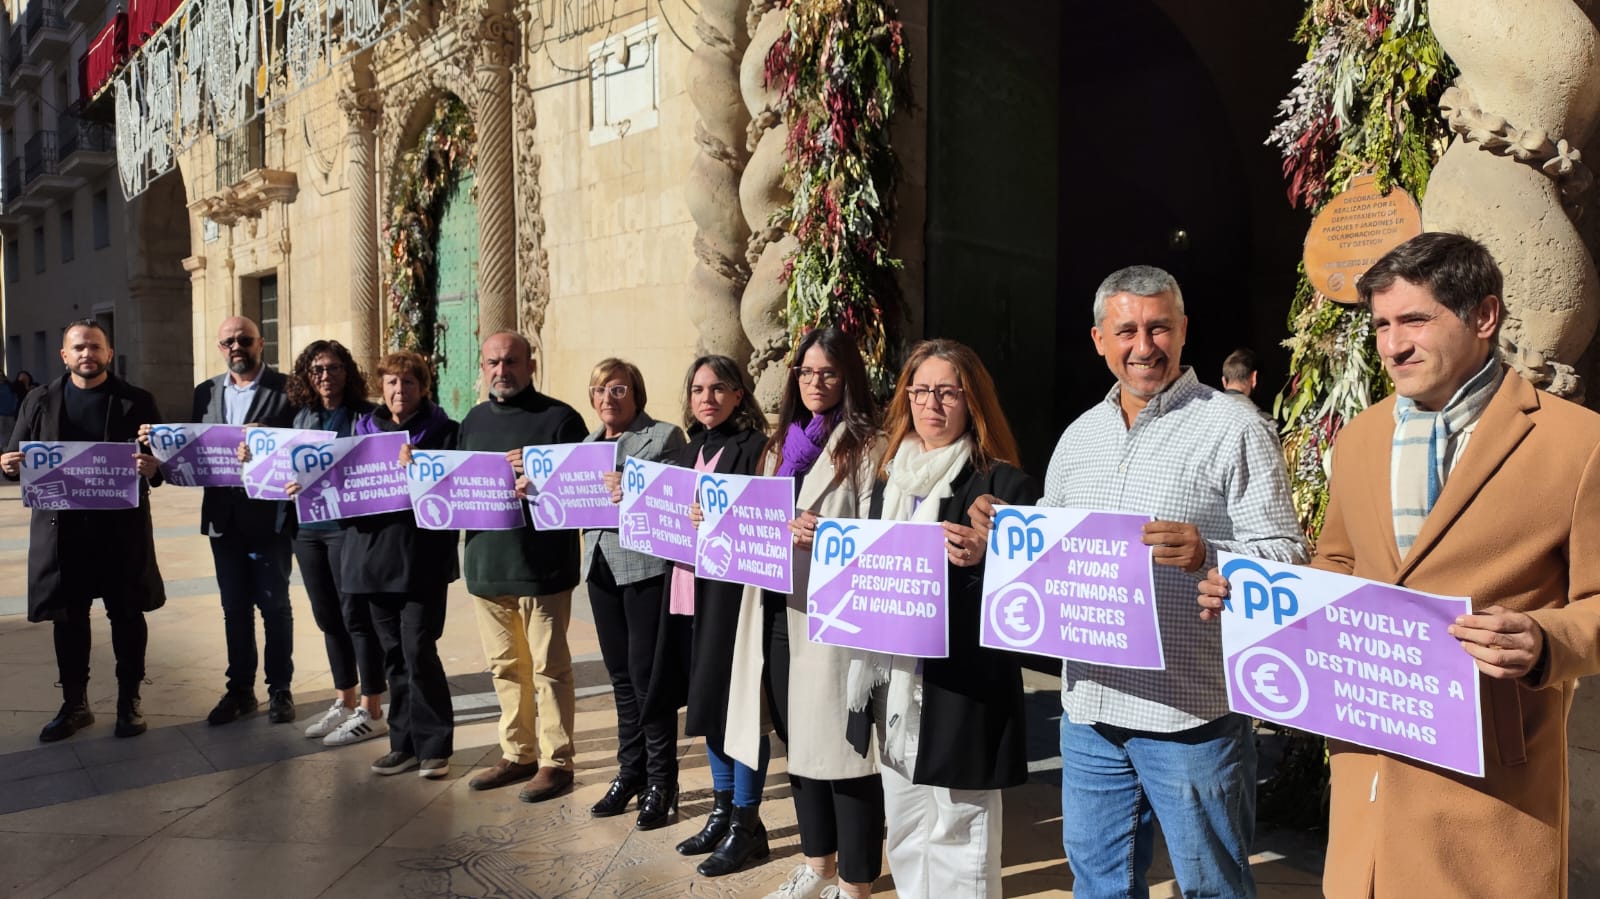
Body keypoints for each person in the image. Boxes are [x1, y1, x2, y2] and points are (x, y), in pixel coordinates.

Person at [1199, 232, 1600, 898]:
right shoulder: (1359, 438)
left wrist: (1543, 640)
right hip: (1367, 783)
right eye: (1382, 324)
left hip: (1489, 800)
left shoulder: (1577, 443)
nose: (1392, 344)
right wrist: (1260, 596)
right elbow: (1338, 560)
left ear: (1484, 317)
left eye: (1414, 319)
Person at [971, 266, 1306, 899]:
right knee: (1099, 885)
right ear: (1100, 338)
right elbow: (1048, 545)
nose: (1144, 346)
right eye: (1127, 330)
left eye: (1158, 328)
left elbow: (1287, 556)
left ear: (1184, 332)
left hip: (1191, 716)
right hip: (1090, 711)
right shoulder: (1079, 437)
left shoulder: (1236, 427)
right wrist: (1005, 534)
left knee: (1211, 887)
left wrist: (1213, 553)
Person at [849, 339, 1037, 899]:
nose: (932, 404)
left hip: (962, 692)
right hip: (895, 686)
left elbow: (1030, 598)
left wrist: (991, 553)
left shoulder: (1003, 484)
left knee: (961, 833)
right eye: (922, 390)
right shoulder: (888, 478)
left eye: (947, 392)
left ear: (972, 400)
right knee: (906, 828)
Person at [727, 328, 886, 899]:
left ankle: (856, 881)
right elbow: (752, 518)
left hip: (832, 618)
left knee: (845, 751)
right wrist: (714, 519)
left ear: (849, 380)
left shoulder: (870, 447)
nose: (816, 383)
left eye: (830, 373)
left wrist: (828, 535)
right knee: (800, 743)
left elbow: (884, 536)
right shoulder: (777, 447)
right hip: (776, 608)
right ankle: (817, 865)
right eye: (808, 372)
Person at [2, 320, 165, 742]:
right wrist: (7, 465)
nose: (86, 354)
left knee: (126, 615)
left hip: (120, 531)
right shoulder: (39, 400)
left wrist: (153, 467)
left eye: (95, 347)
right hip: (63, 533)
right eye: (78, 348)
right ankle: (75, 705)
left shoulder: (137, 401)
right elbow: (15, 454)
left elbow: (162, 464)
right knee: (69, 619)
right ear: (64, 355)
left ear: (109, 353)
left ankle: (129, 702)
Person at [459, 330, 587, 801]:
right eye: (492, 362)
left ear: (530, 365)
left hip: (542, 567)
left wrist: (542, 477)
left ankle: (557, 762)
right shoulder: (471, 421)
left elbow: (583, 486)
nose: (501, 370)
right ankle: (518, 753)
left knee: (550, 668)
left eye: (510, 361)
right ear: (483, 367)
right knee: (505, 667)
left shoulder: (560, 419)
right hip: (487, 566)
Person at [664, 354, 771, 877]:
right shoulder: (689, 450)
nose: (706, 398)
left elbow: (762, 515)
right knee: (707, 706)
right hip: (688, 593)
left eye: (718, 388)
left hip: (731, 597)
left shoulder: (754, 449)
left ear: (737, 395)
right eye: (698, 389)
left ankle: (748, 824)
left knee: (740, 711)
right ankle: (723, 810)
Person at [571, 358, 686, 828]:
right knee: (619, 677)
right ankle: (630, 772)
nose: (607, 399)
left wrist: (633, 488)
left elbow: (679, 496)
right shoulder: (585, 445)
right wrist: (535, 488)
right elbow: (568, 499)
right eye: (599, 390)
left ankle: (662, 781)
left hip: (643, 569)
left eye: (617, 389)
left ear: (636, 393)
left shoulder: (662, 436)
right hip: (600, 565)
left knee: (646, 677)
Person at [343, 351, 461, 778]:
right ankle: (403, 744)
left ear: (423, 388)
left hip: (422, 561)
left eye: (408, 383)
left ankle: (435, 746)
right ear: (382, 387)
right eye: (392, 382)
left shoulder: (446, 432)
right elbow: (339, 486)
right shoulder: (362, 434)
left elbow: (457, 488)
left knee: (418, 649)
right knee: (392, 653)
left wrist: (421, 469)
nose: (399, 390)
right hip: (374, 560)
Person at [277, 340, 386, 746]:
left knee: (356, 615)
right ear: (307, 375)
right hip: (307, 529)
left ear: (348, 372)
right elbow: (277, 465)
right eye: (318, 369)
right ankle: (345, 698)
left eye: (335, 368)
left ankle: (372, 709)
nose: (326, 376)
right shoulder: (300, 418)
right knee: (327, 616)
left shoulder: (366, 416)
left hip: (347, 527)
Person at [193, 316, 299, 725]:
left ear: (261, 343)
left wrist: (266, 444)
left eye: (244, 340)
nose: (235, 346)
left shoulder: (287, 390)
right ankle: (239, 689)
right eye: (228, 342)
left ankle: (280, 690)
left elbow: (301, 445)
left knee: (275, 607)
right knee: (234, 608)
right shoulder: (205, 393)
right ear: (220, 348)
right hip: (223, 518)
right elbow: (196, 449)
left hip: (268, 518)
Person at [0, 370, 19, 442]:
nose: (0, 377)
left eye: (2, 375)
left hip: (10, 414)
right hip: (1, 415)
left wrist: (13, 409)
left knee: (11, 434)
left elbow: (15, 398)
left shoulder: (9, 386)